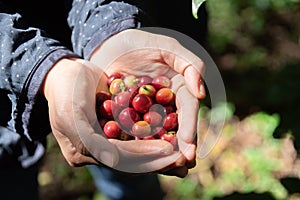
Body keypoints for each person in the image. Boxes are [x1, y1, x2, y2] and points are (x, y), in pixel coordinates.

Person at [0, 0, 207, 199]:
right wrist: (40, 67)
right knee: (11, 174)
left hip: (87, 45)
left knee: (122, 162)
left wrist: (109, 27)